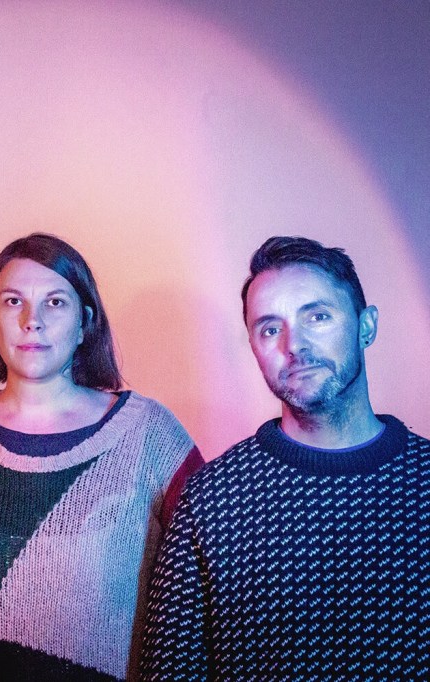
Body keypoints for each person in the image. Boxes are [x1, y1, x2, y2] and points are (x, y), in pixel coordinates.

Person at [0, 233, 202, 681]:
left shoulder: (151, 437)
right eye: (13, 302)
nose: (32, 321)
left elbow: (208, 592)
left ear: (85, 323)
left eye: (55, 303)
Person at [142, 236, 430, 679]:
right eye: (270, 329)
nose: (293, 345)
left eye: (317, 316)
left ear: (366, 326)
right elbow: (169, 671)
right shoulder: (211, 499)